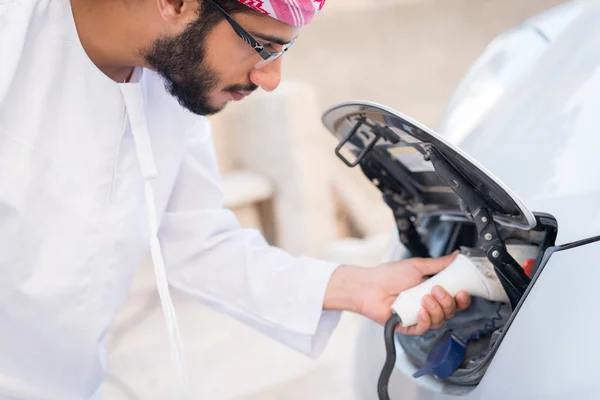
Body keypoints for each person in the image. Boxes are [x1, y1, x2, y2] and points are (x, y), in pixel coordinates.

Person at [0, 0, 472, 398]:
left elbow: (197, 243)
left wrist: (357, 286)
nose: (272, 78)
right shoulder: (15, 34)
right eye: (264, 46)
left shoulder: (167, 85)